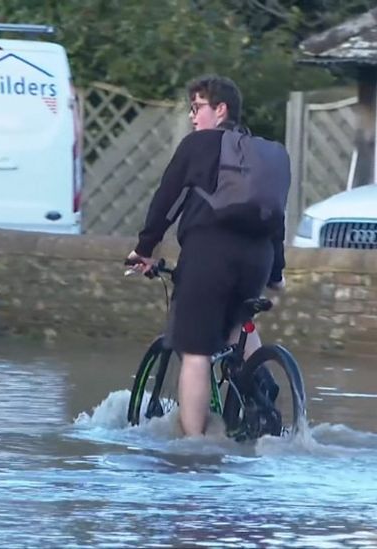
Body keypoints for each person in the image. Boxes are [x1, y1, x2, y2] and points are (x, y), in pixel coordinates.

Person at [126, 75, 287, 437]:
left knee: (196, 351)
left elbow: (166, 202)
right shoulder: (268, 155)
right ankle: (261, 399)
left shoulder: (198, 146)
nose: (191, 116)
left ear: (220, 109)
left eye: (197, 107)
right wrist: (276, 273)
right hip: (257, 261)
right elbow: (276, 217)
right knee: (237, 324)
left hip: (209, 256)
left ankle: (194, 448)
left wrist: (143, 249)